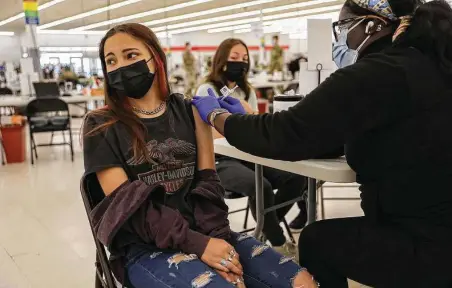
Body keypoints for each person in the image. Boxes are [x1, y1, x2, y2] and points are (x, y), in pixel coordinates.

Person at [191, 0, 452, 287]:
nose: (339, 39)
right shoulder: (430, 66)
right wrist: (247, 121)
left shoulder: (375, 74)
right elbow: (333, 134)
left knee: (317, 241)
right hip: (436, 227)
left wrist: (218, 117)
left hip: (428, 243)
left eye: (341, 28)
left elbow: (284, 134)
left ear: (370, 25)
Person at [82, 23, 317, 288]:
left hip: (206, 233)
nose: (120, 66)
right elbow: (129, 209)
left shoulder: (188, 111)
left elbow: (208, 184)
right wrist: (200, 246)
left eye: (131, 55)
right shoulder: (100, 125)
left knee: (302, 281)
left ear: (155, 58)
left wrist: (220, 247)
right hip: (144, 249)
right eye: (110, 60)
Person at [195, 38, 308, 259]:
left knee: (296, 178)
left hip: (249, 155)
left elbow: (255, 128)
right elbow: (206, 131)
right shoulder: (207, 89)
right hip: (221, 160)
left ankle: (267, 227)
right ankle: (278, 243)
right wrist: (241, 121)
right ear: (221, 60)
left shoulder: (248, 92)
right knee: (261, 187)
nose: (241, 63)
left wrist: (241, 121)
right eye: (235, 58)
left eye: (245, 59)